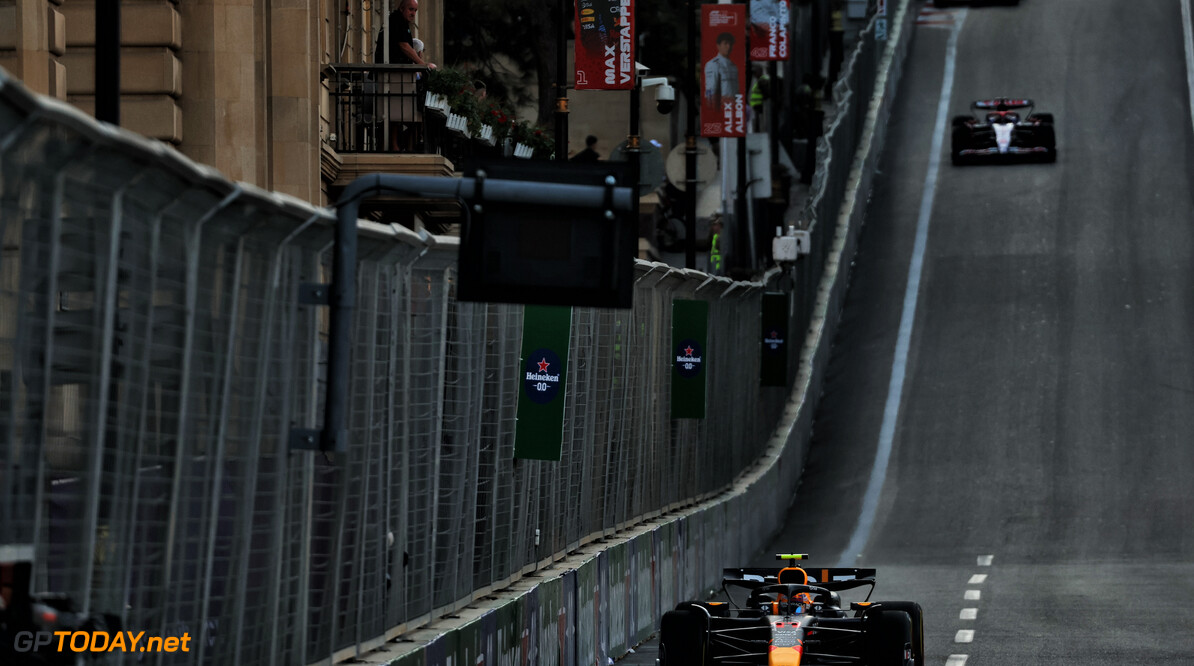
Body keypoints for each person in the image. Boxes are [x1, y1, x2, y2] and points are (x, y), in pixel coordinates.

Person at [375, 0, 436, 150]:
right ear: (401, 8)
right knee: (396, 109)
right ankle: (395, 145)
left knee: (400, 111)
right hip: (394, 75)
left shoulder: (400, 22)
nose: (413, 13)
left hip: (398, 75)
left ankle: (400, 145)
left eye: (415, 10)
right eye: (410, 9)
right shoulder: (396, 21)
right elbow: (404, 46)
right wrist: (422, 65)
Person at [703, 33, 739, 111]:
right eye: (725, 43)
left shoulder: (733, 66)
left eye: (730, 44)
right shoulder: (713, 64)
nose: (728, 47)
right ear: (718, 46)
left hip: (734, 106)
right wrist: (711, 109)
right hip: (721, 106)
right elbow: (710, 89)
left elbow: (736, 89)